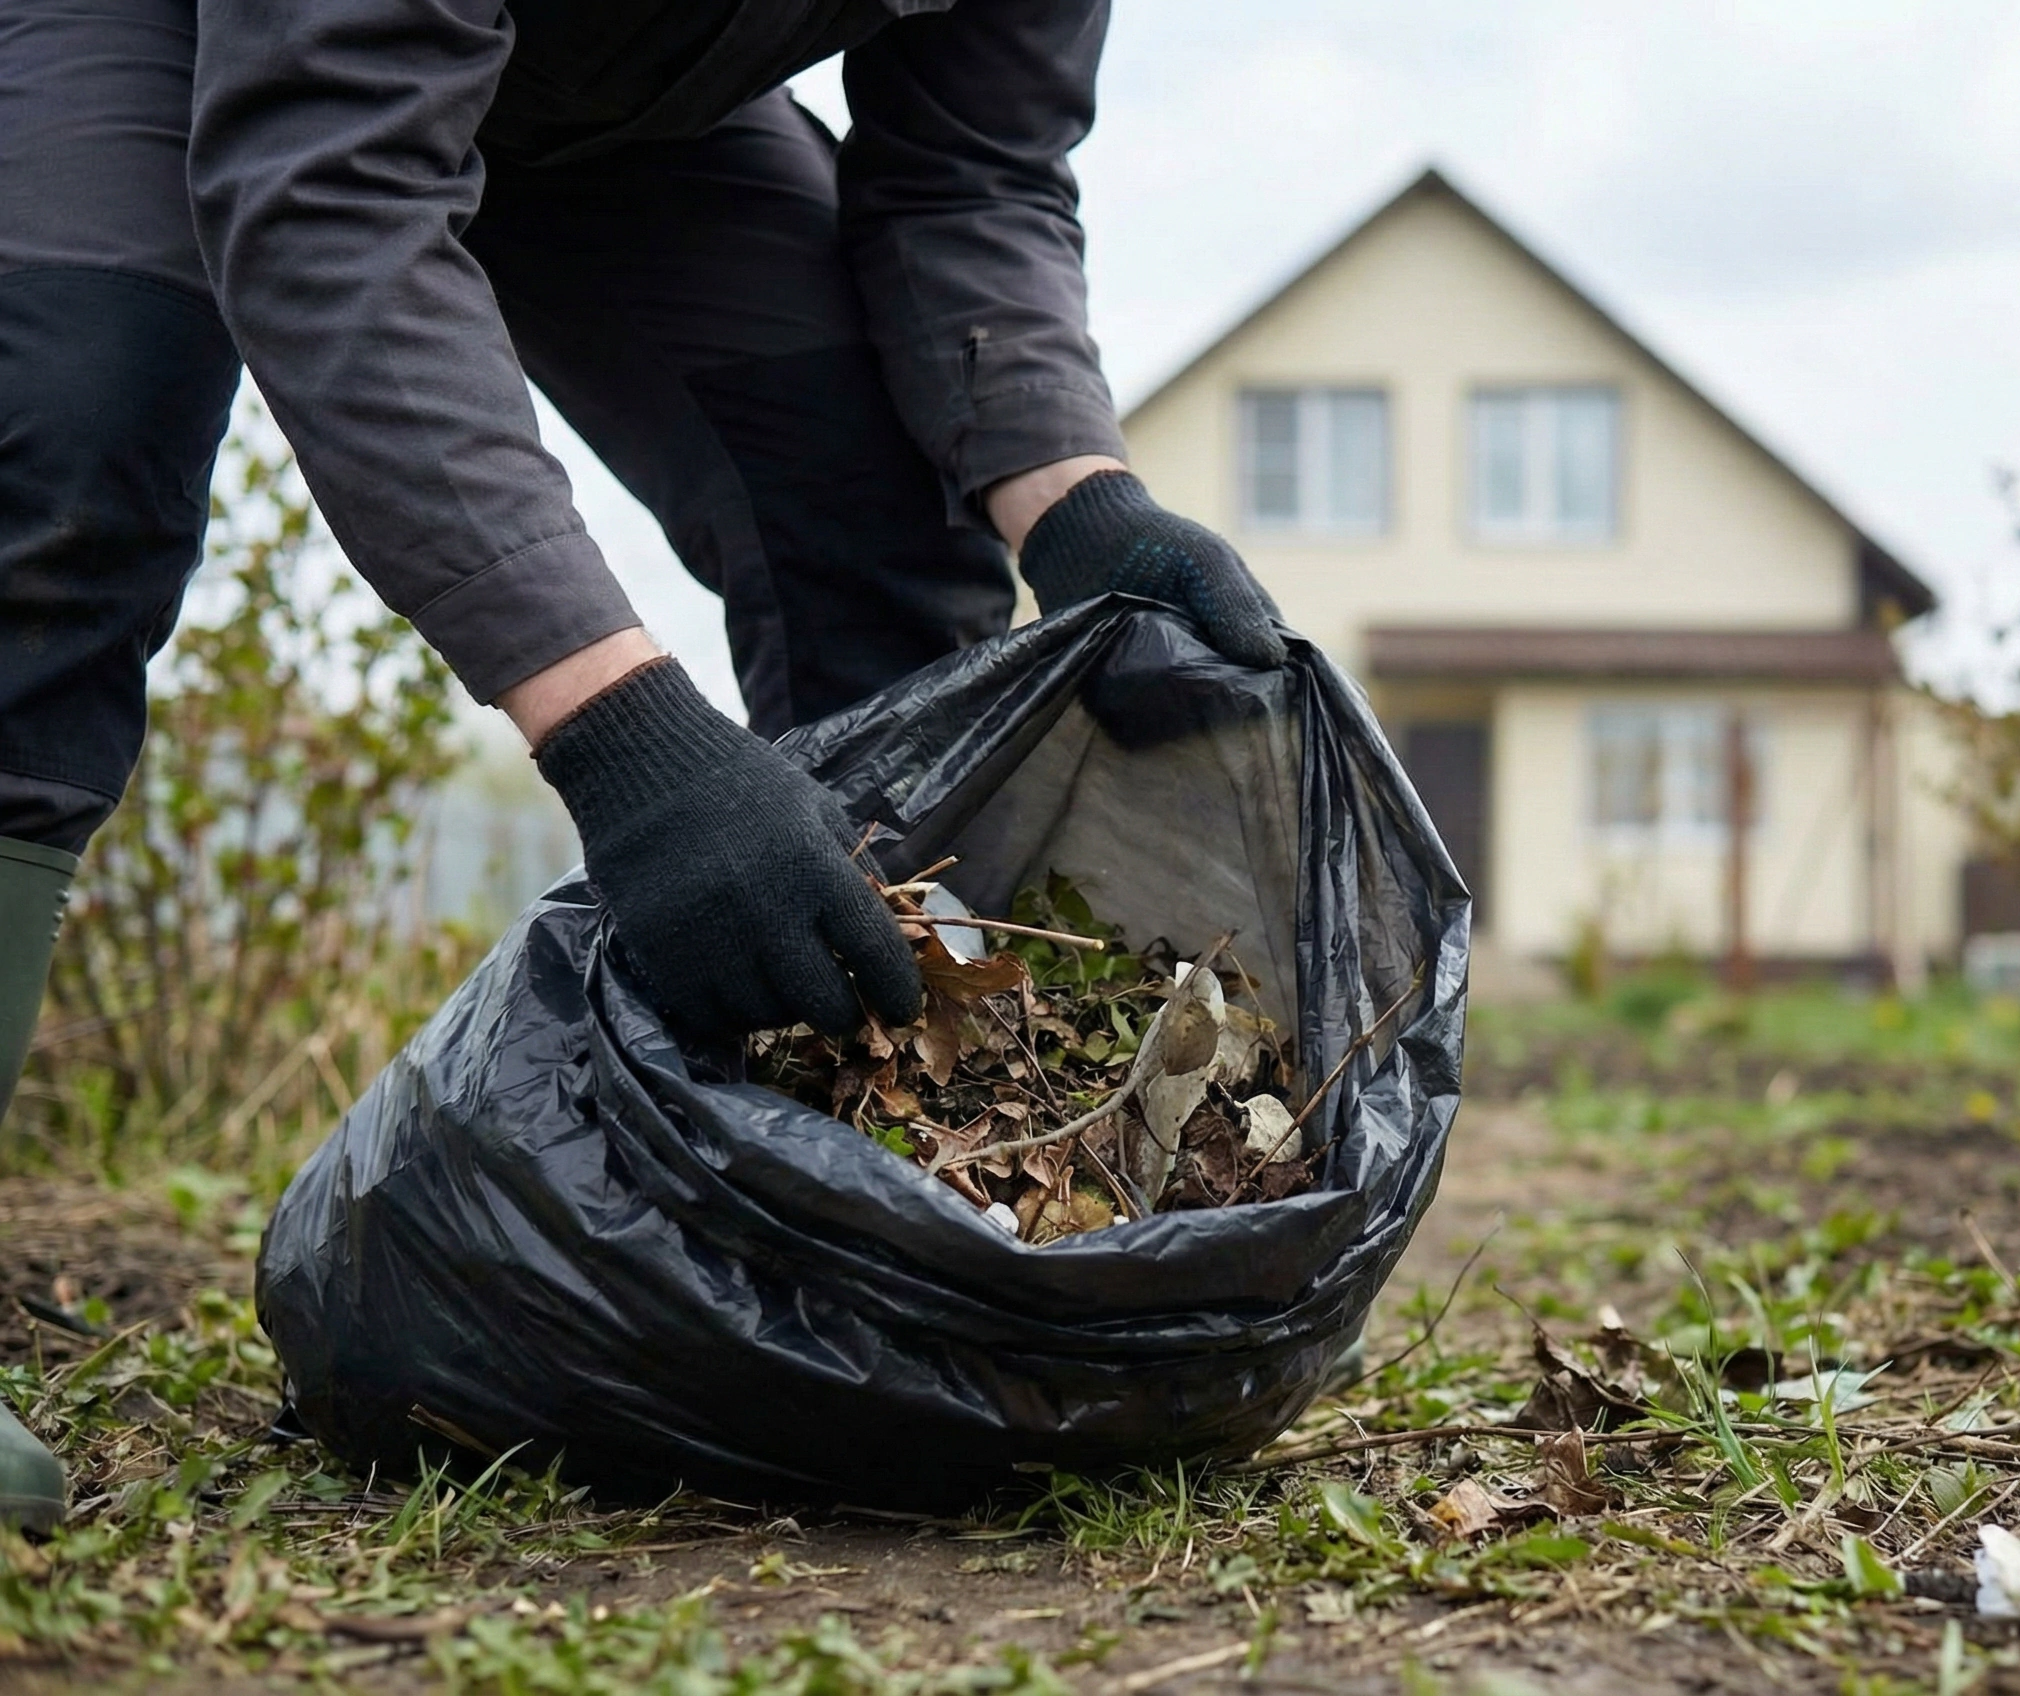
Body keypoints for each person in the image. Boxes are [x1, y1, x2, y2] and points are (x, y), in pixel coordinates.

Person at [0, 0, 1289, 1529]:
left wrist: (1077, 500)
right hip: (193, 32)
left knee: (864, 488)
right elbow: (332, 184)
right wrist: (631, 742)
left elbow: (971, 174)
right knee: (65, 446)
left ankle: (883, 1219)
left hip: (602, 95)